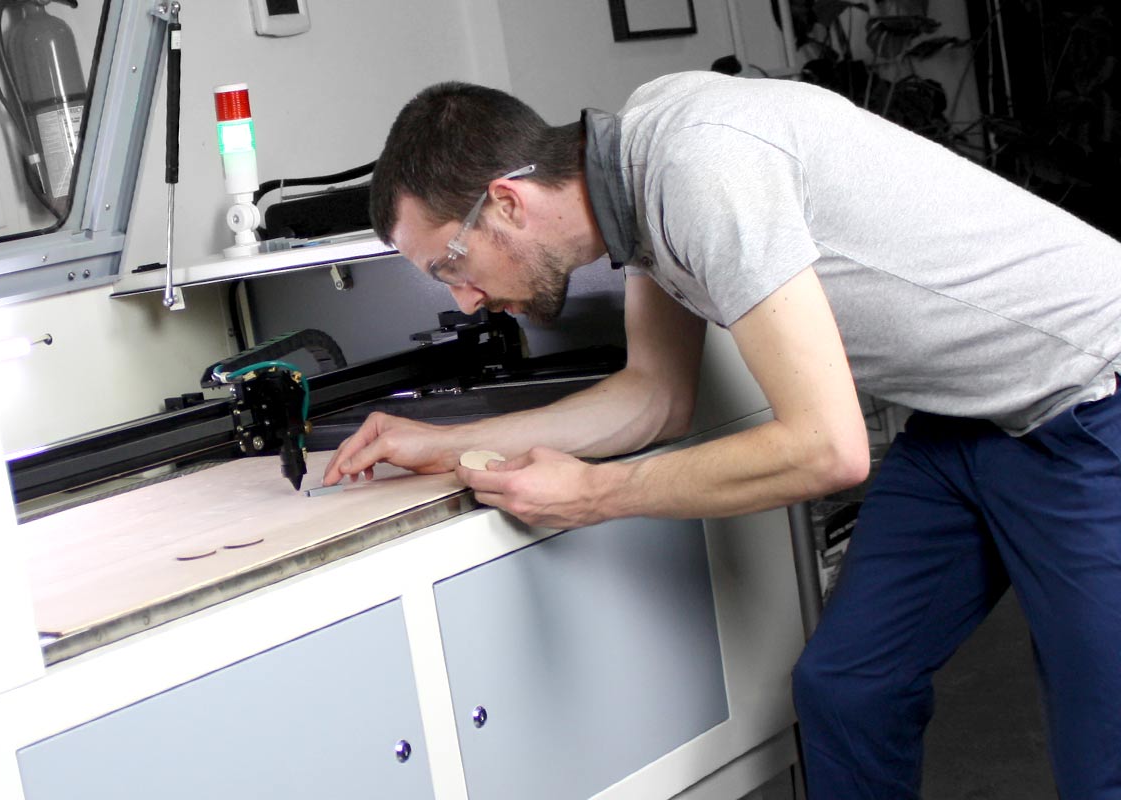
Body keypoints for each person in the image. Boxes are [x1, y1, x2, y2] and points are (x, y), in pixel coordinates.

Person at [321, 72, 1121, 798]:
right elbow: (654, 397)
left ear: (506, 201)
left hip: (1090, 398)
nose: (462, 300)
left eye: (448, 264)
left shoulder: (694, 167)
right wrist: (446, 443)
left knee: (1102, 753)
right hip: (967, 419)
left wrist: (596, 493)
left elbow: (827, 447)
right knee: (849, 688)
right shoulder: (635, 182)